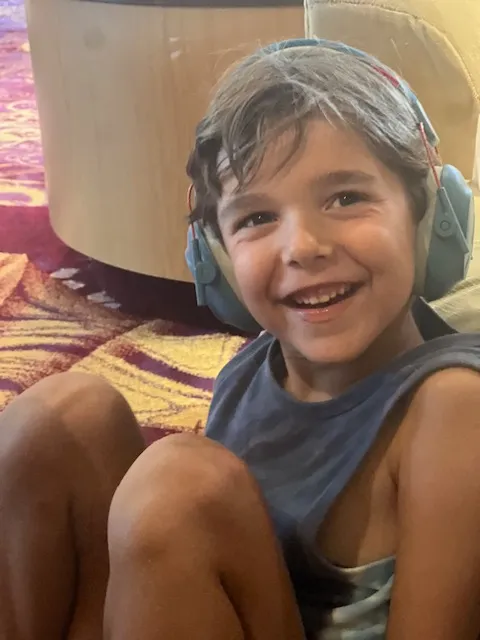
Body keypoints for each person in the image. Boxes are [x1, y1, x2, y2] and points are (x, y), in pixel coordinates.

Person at [1, 39, 480, 640]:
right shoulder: (253, 369)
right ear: (214, 255)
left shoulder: (453, 408)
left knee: (180, 487)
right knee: (58, 415)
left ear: (429, 208)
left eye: (346, 197)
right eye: (256, 218)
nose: (302, 246)